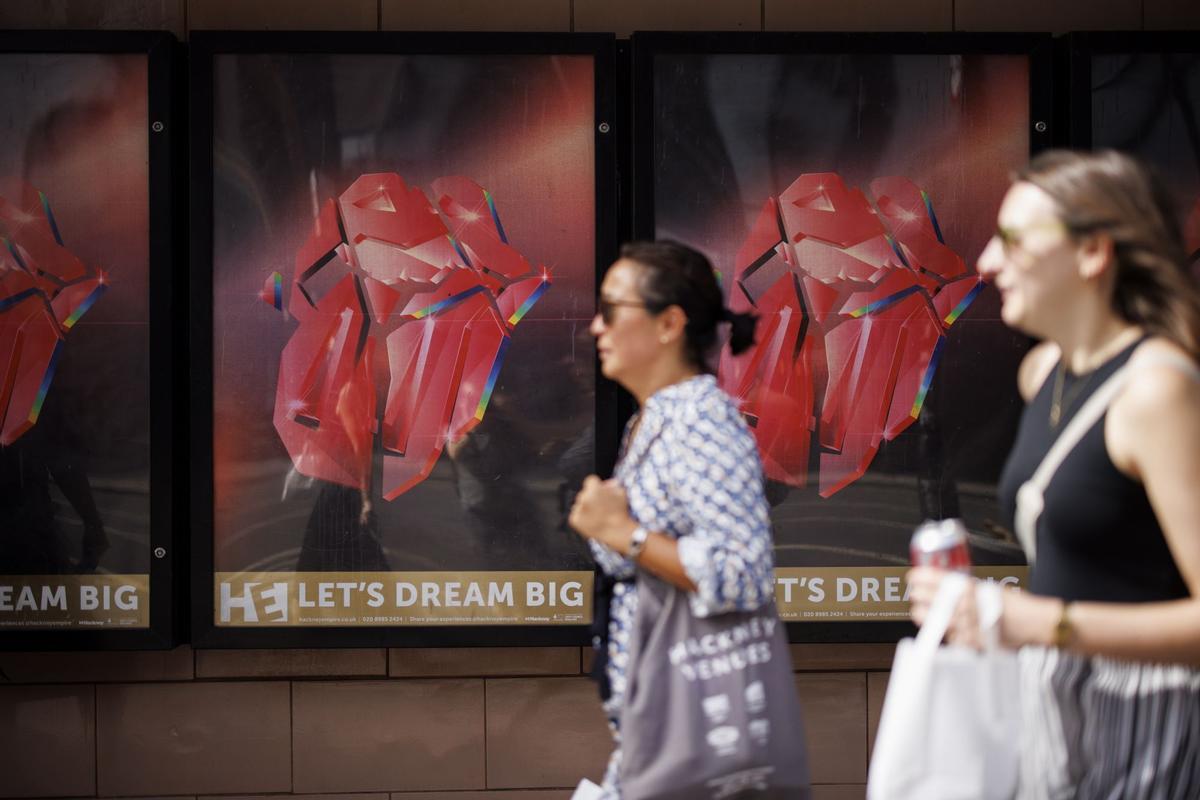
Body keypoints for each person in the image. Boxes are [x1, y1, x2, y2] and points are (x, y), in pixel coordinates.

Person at [907, 150, 1200, 799]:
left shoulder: (1157, 390)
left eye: (1012, 240)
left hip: (1155, 746)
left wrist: (1037, 623)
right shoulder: (1041, 373)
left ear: (1094, 253)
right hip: (1065, 731)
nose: (985, 260)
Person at [567, 241, 784, 797]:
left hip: (693, 735)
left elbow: (744, 571)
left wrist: (623, 533)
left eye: (612, 309)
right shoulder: (659, 417)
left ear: (669, 324)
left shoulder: (699, 423)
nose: (597, 326)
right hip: (662, 727)